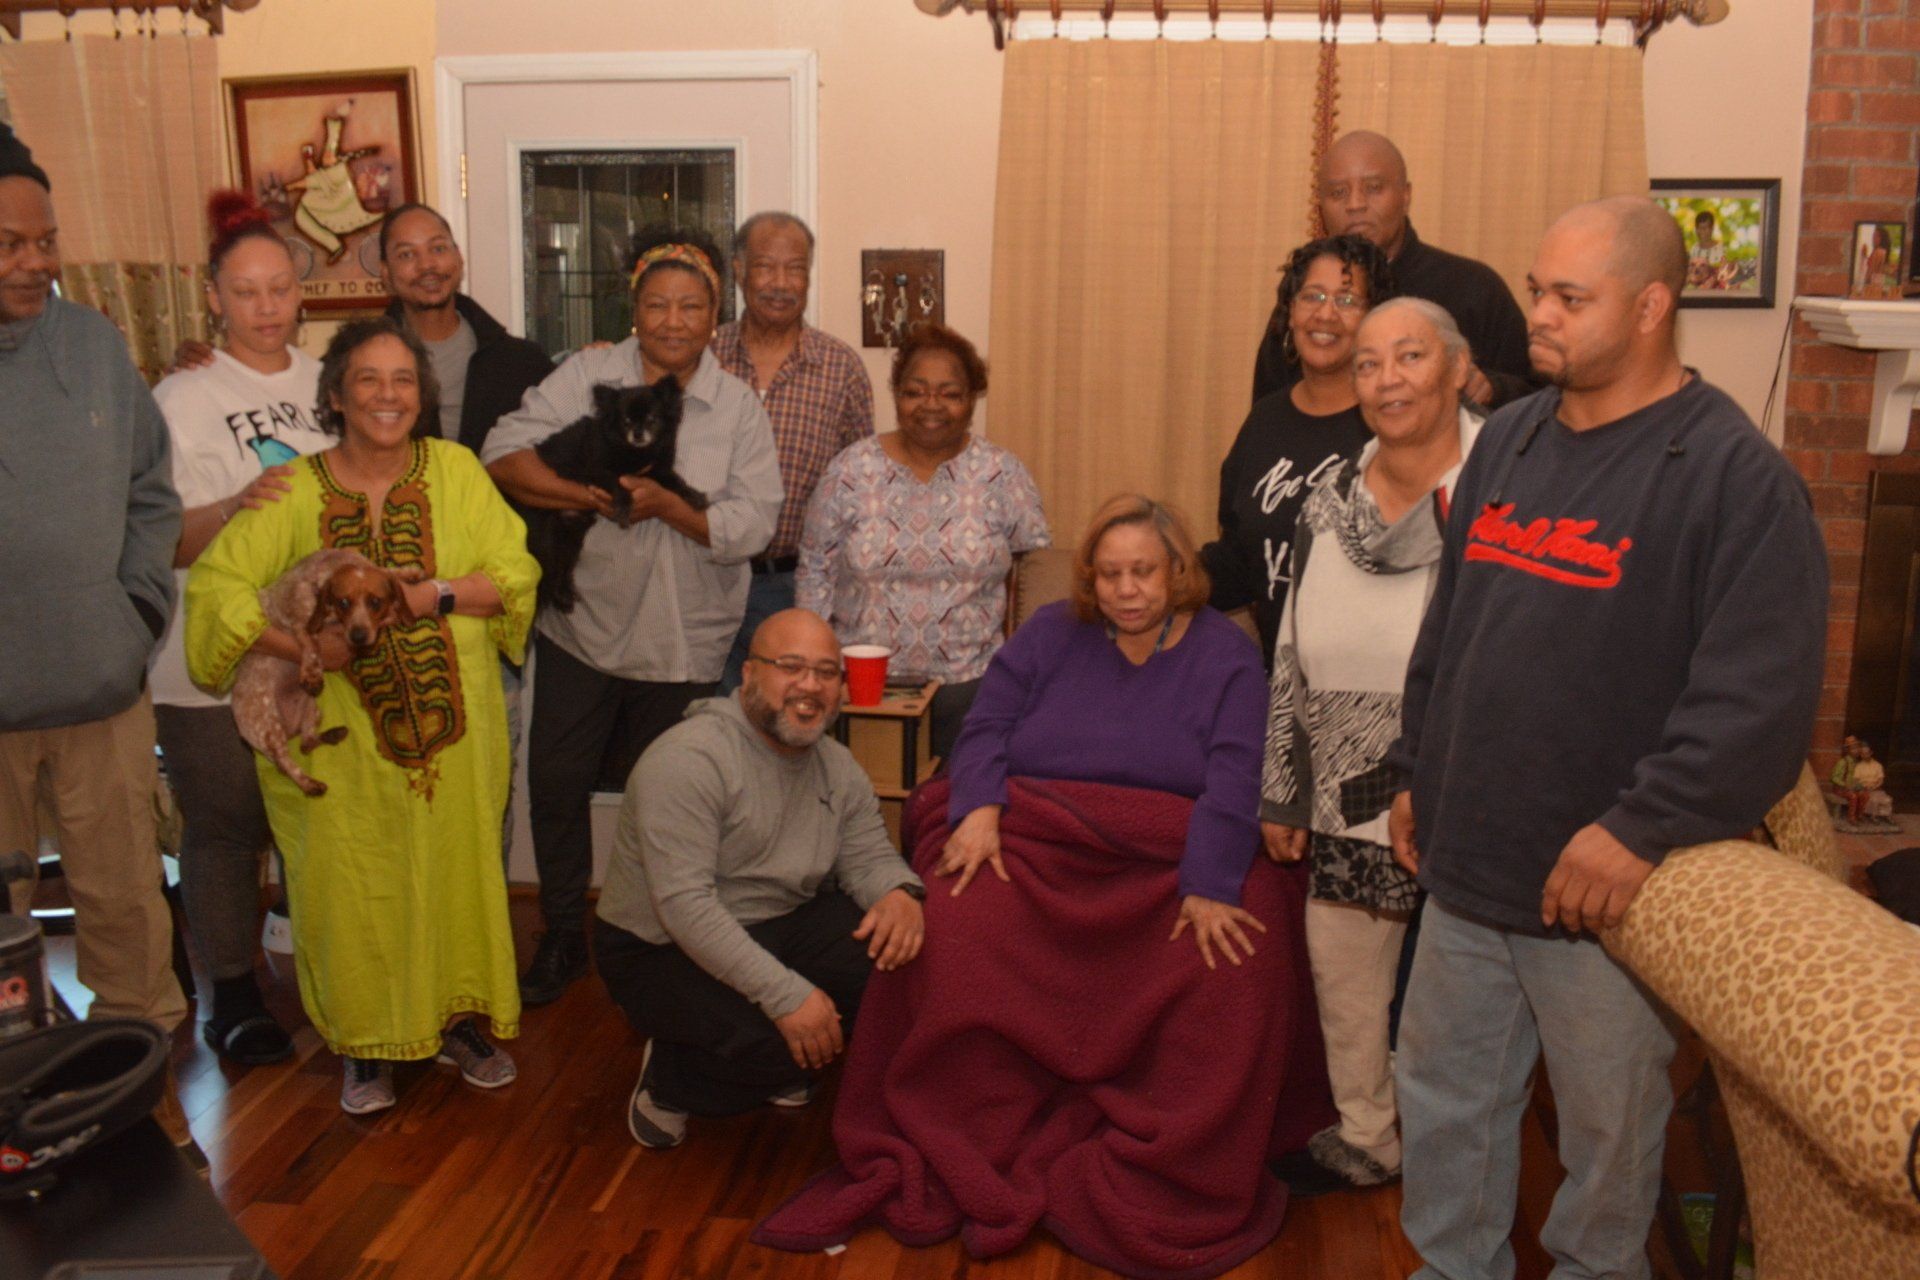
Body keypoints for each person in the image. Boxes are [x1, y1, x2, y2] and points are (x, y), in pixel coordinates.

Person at [1386, 197, 1826, 1280]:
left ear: (1650, 306)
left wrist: (1637, 830)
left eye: (1569, 298)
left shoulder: (1736, 476)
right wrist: (1414, 771)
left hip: (1605, 897)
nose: (1538, 313)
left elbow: (1758, 705)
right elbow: (1451, 629)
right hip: (1468, 860)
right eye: (1538, 288)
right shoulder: (1511, 438)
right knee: (1444, 1106)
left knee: (1607, 1151)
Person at [756, 496, 1334, 1278]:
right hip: (1039, 833)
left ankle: (1179, 1148)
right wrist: (978, 807)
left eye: (1143, 572)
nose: (1127, 589)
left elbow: (1237, 772)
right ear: (1090, 577)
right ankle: (969, 1126)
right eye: (1110, 573)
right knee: (955, 916)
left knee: (1237, 951)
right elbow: (986, 727)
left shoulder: (1226, 652)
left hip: (1172, 853)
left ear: (1176, 572)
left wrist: (1209, 881)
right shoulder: (1050, 633)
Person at [186, 318, 538, 1114]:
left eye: (403, 379)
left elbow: (513, 575)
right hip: (339, 746)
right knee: (350, 892)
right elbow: (215, 592)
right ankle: (364, 1046)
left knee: (455, 877)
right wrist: (302, 647)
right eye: (368, 380)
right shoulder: (292, 488)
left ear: (423, 394)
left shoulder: (456, 472)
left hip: (452, 740)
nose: (388, 395)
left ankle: (458, 1025)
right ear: (336, 396)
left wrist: (429, 595)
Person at [485, 227, 783, 1007]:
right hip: (582, 628)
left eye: (691, 306)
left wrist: (672, 511)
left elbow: (758, 522)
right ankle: (560, 932)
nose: (673, 321)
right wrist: (590, 497)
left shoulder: (736, 407)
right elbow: (502, 453)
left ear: (715, 316)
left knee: (673, 800)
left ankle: (663, 937)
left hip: (684, 641)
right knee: (555, 783)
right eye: (658, 304)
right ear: (634, 309)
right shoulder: (588, 375)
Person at [1259, 297, 1485, 1191]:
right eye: (1367, 362)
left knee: (1463, 995)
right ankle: (1369, 1135)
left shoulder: (1504, 494)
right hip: (1347, 776)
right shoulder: (1328, 500)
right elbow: (1291, 645)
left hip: (1466, 777)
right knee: (1345, 966)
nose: (1387, 379)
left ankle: (1461, 1164)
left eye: (1410, 357)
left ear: (1458, 369)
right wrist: (1284, 785)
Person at [594, 609, 926, 1150]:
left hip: (776, 919)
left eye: (826, 672)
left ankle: (769, 1056)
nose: (810, 686)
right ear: (748, 675)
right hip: (659, 946)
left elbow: (868, 857)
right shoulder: (687, 760)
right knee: (777, 1045)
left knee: (901, 966)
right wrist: (787, 996)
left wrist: (900, 893)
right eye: (790, 666)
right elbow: (685, 908)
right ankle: (671, 1080)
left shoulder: (837, 765)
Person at [0, 124, 188, 1078]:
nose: (37, 263)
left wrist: (136, 618)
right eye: (10, 245)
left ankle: (142, 1097)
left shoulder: (94, 343)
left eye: (47, 241)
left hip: (103, 691)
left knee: (125, 913)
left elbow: (152, 492)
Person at [149, 191, 336, 1066]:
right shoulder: (180, 396)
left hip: (311, 655)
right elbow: (157, 538)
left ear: (301, 293)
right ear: (213, 298)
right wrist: (235, 505)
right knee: (226, 826)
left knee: (313, 815)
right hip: (208, 660)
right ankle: (230, 995)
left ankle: (324, 977)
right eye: (245, 292)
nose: (265, 308)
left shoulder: (330, 384)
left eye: (280, 289)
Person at [797, 322, 1049, 761]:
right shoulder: (850, 470)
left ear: (972, 399)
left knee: (961, 797)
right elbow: (815, 571)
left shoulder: (1002, 474)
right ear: (896, 394)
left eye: (950, 393)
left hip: (974, 686)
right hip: (864, 687)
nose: (932, 405)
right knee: (868, 797)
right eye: (915, 391)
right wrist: (817, 669)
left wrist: (1022, 667)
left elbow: (1030, 575)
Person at [1203, 234, 1390, 661]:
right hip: (1284, 678)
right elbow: (1240, 561)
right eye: (1312, 296)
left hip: (1375, 679)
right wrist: (1158, 573)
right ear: (1290, 312)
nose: (1326, 314)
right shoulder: (1264, 421)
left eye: (1347, 301)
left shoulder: (1391, 425)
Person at [1252, 131, 1534, 410]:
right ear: (1320, 207)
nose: (1355, 204)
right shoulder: (1308, 299)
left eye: (1373, 188)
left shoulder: (1472, 288)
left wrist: (1494, 389)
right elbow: (1270, 410)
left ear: (1405, 195)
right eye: (1338, 192)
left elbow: (1539, 398)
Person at [711, 212, 875, 692]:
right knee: (707, 713)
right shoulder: (703, 356)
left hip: (794, 585)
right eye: (766, 267)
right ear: (739, 270)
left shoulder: (840, 368)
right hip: (704, 577)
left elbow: (861, 492)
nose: (781, 284)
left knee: (789, 716)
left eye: (796, 269)